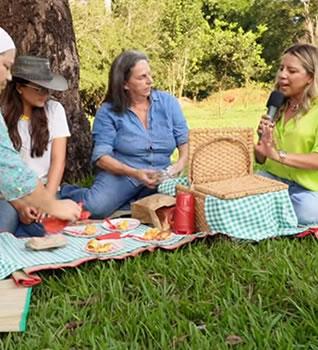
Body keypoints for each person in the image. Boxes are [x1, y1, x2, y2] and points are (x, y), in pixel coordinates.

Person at [61, 50, 189, 218]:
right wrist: (135, 173)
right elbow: (101, 157)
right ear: (125, 84)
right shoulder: (108, 112)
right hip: (124, 174)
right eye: (142, 77)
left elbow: (183, 139)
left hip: (162, 175)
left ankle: (129, 204)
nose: (149, 81)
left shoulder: (168, 103)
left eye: (149, 75)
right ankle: (66, 192)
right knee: (94, 208)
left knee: (183, 206)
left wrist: (178, 166)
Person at [255, 43, 318, 226]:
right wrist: (264, 144)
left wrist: (277, 155)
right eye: (281, 68)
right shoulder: (278, 105)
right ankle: (268, 209)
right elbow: (260, 159)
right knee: (242, 185)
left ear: (310, 77)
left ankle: (258, 208)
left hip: (315, 193)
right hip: (277, 182)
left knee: (307, 210)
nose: (282, 75)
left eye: (291, 71)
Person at [0, 27, 81, 225]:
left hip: (41, 190)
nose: (8, 76)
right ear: (19, 88)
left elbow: (57, 161)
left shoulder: (54, 110)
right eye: (5, 66)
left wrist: (48, 201)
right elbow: (6, 166)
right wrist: (22, 204)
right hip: (11, 195)